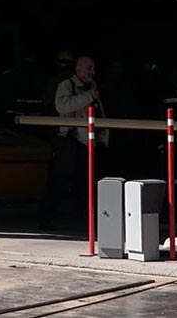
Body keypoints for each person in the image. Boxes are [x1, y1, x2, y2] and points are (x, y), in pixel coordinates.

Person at [37, 55, 108, 230]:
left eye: (93, 68)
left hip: (88, 142)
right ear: (78, 68)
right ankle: (45, 216)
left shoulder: (92, 86)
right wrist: (88, 96)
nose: (92, 72)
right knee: (60, 180)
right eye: (89, 68)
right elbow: (62, 106)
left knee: (87, 181)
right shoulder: (66, 85)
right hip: (71, 142)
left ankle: (91, 220)